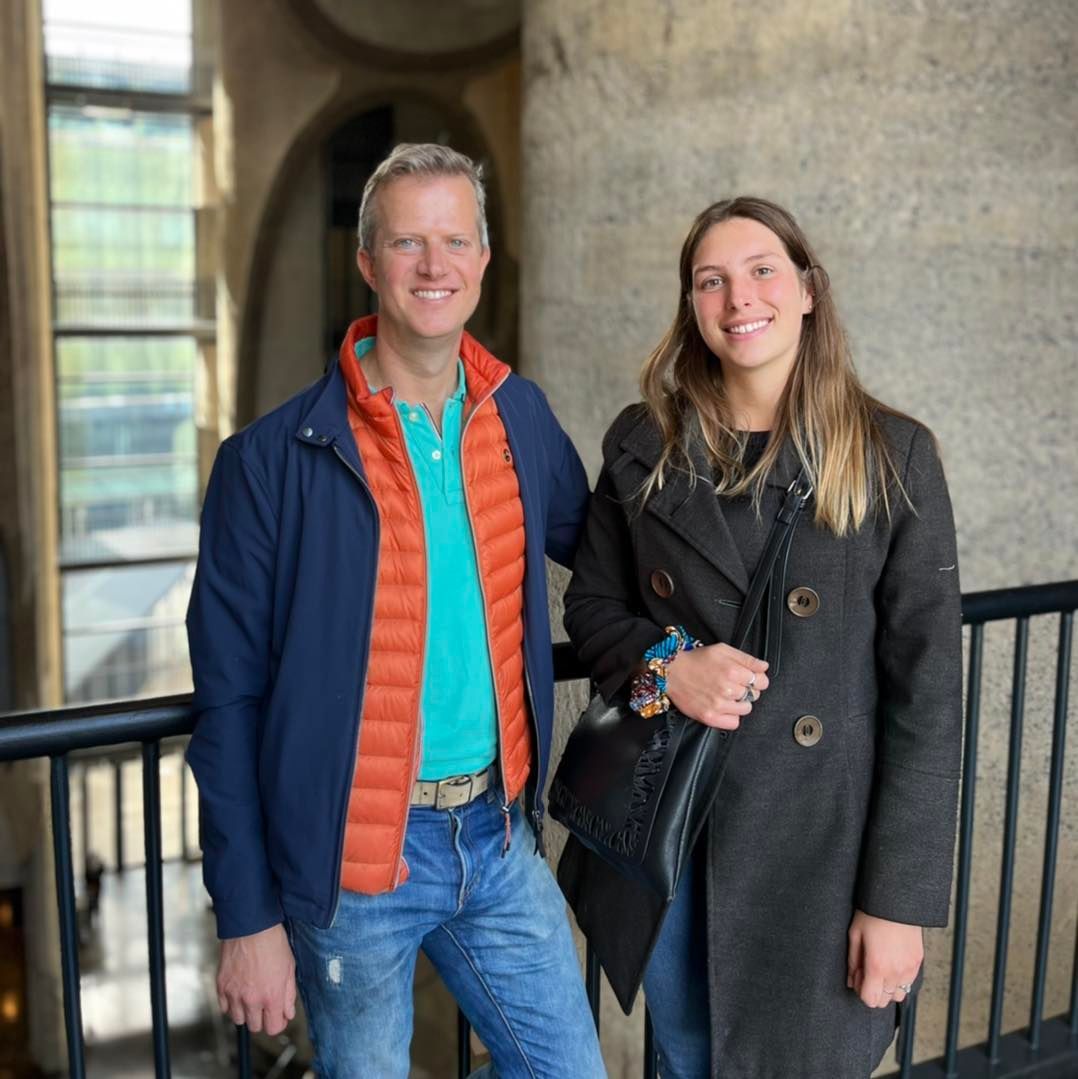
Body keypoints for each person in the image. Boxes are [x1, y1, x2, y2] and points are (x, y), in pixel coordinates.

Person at [186, 143, 606, 1078]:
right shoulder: (269, 462)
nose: (433, 264)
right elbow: (227, 703)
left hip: (498, 834)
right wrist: (246, 916)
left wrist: (685, 643)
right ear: (369, 262)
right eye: (407, 242)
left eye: (455, 240)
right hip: (352, 867)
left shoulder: (518, 416)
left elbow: (609, 555)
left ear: (483, 260)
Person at [558, 196, 962, 1078]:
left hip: (823, 857)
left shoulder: (891, 455)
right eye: (712, 280)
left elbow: (927, 700)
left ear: (808, 290)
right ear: (692, 306)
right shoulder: (645, 443)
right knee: (687, 1056)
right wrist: (669, 666)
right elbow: (589, 609)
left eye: (762, 270)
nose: (739, 297)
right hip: (674, 831)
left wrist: (898, 902)